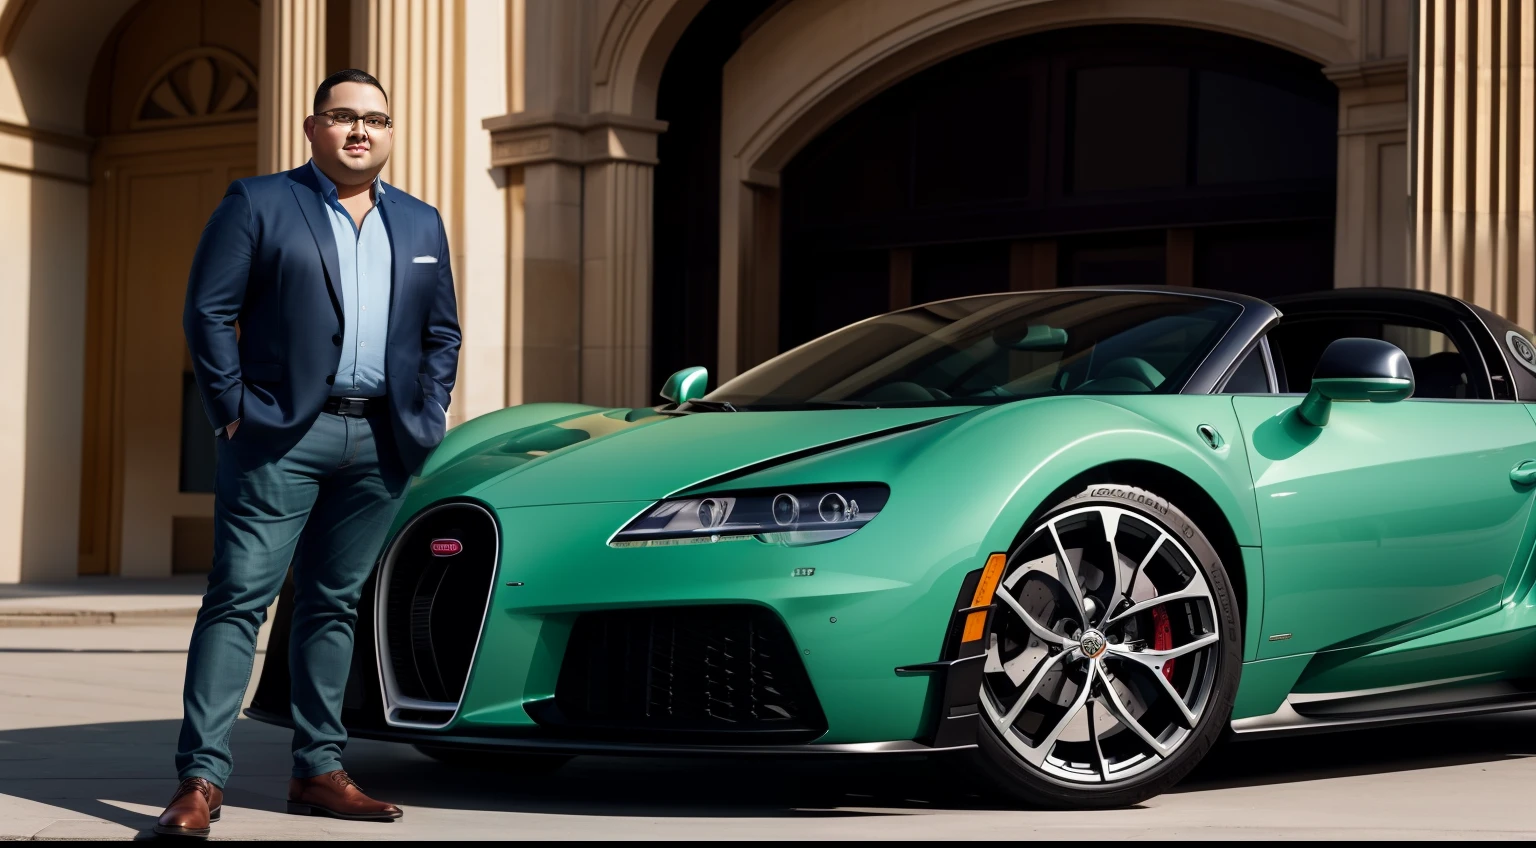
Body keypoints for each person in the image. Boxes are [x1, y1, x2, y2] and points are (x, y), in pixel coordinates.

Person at [156, 68, 460, 838]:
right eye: (344, 116)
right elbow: (207, 312)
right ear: (312, 127)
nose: (361, 131)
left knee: (334, 606)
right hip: (279, 439)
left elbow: (441, 334)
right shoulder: (258, 202)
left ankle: (319, 769)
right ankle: (200, 780)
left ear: (390, 135)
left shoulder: (422, 223)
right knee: (239, 599)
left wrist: (425, 416)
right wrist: (232, 414)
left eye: (377, 121)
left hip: (381, 441)